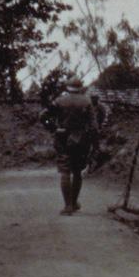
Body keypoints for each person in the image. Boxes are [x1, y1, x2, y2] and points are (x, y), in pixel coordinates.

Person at [40, 78, 99, 215]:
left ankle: (68, 206)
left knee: (65, 171)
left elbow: (42, 116)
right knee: (77, 171)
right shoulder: (87, 101)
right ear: (81, 87)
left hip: (63, 139)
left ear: (67, 87)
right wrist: (95, 143)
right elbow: (94, 126)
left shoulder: (60, 100)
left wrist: (53, 128)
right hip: (81, 141)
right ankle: (74, 202)